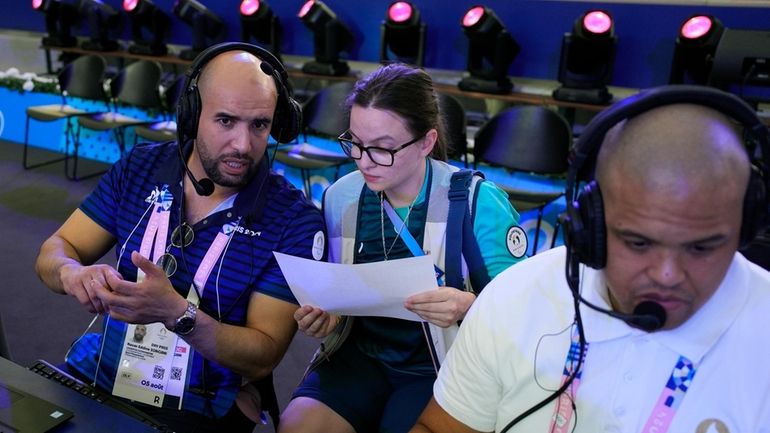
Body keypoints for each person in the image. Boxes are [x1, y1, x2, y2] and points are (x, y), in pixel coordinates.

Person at [410, 85, 770, 433]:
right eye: (638, 243)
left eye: (702, 248)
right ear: (589, 226)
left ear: (746, 227)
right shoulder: (516, 298)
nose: (667, 275)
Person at [35, 42, 326, 433]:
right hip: (100, 371)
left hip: (198, 403)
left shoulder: (294, 219)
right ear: (191, 115)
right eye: (225, 121)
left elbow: (263, 355)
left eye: (259, 124)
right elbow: (54, 251)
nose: (243, 144)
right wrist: (72, 273)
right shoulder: (140, 166)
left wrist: (177, 313)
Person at [279, 63, 526, 433]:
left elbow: (521, 314)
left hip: (440, 364)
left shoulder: (476, 202)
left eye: (382, 149)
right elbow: (337, 292)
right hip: (358, 356)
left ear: (426, 142)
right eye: (355, 143)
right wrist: (325, 318)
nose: (364, 160)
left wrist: (468, 306)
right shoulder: (340, 197)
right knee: (298, 426)